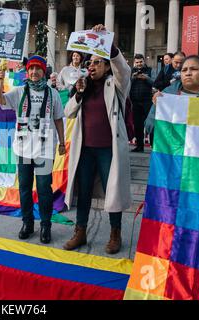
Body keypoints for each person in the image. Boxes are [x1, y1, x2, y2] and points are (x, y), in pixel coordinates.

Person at [63, 24, 132, 255]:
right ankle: (80, 231)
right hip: (85, 150)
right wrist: (79, 93)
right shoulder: (83, 85)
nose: (91, 66)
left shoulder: (116, 84)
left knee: (113, 191)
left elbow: (123, 69)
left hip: (108, 150)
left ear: (105, 66)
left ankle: (115, 233)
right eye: (89, 63)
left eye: (96, 62)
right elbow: (68, 112)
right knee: (83, 191)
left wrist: (106, 43)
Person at [0, 55, 66, 244]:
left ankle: (45, 225)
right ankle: (27, 223)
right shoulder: (19, 91)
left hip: (45, 150)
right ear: (27, 72)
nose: (34, 72)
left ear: (44, 71)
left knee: (44, 188)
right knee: (25, 189)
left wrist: (62, 142)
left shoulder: (53, 94)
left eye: (38, 69)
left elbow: (58, 119)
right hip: (23, 149)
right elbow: (0, 102)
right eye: (31, 69)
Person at [145, 55, 199, 136]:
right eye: (184, 70)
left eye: (194, 69)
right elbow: (149, 128)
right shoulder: (167, 94)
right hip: (176, 147)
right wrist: (157, 108)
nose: (188, 73)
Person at [129, 54, 153, 153]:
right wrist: (133, 78)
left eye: (141, 62)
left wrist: (146, 78)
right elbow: (126, 83)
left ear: (144, 61)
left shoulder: (150, 70)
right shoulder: (131, 71)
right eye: (137, 62)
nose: (139, 64)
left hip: (147, 101)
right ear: (135, 62)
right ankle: (139, 146)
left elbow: (155, 82)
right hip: (135, 102)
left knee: (150, 124)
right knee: (138, 125)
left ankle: (154, 146)